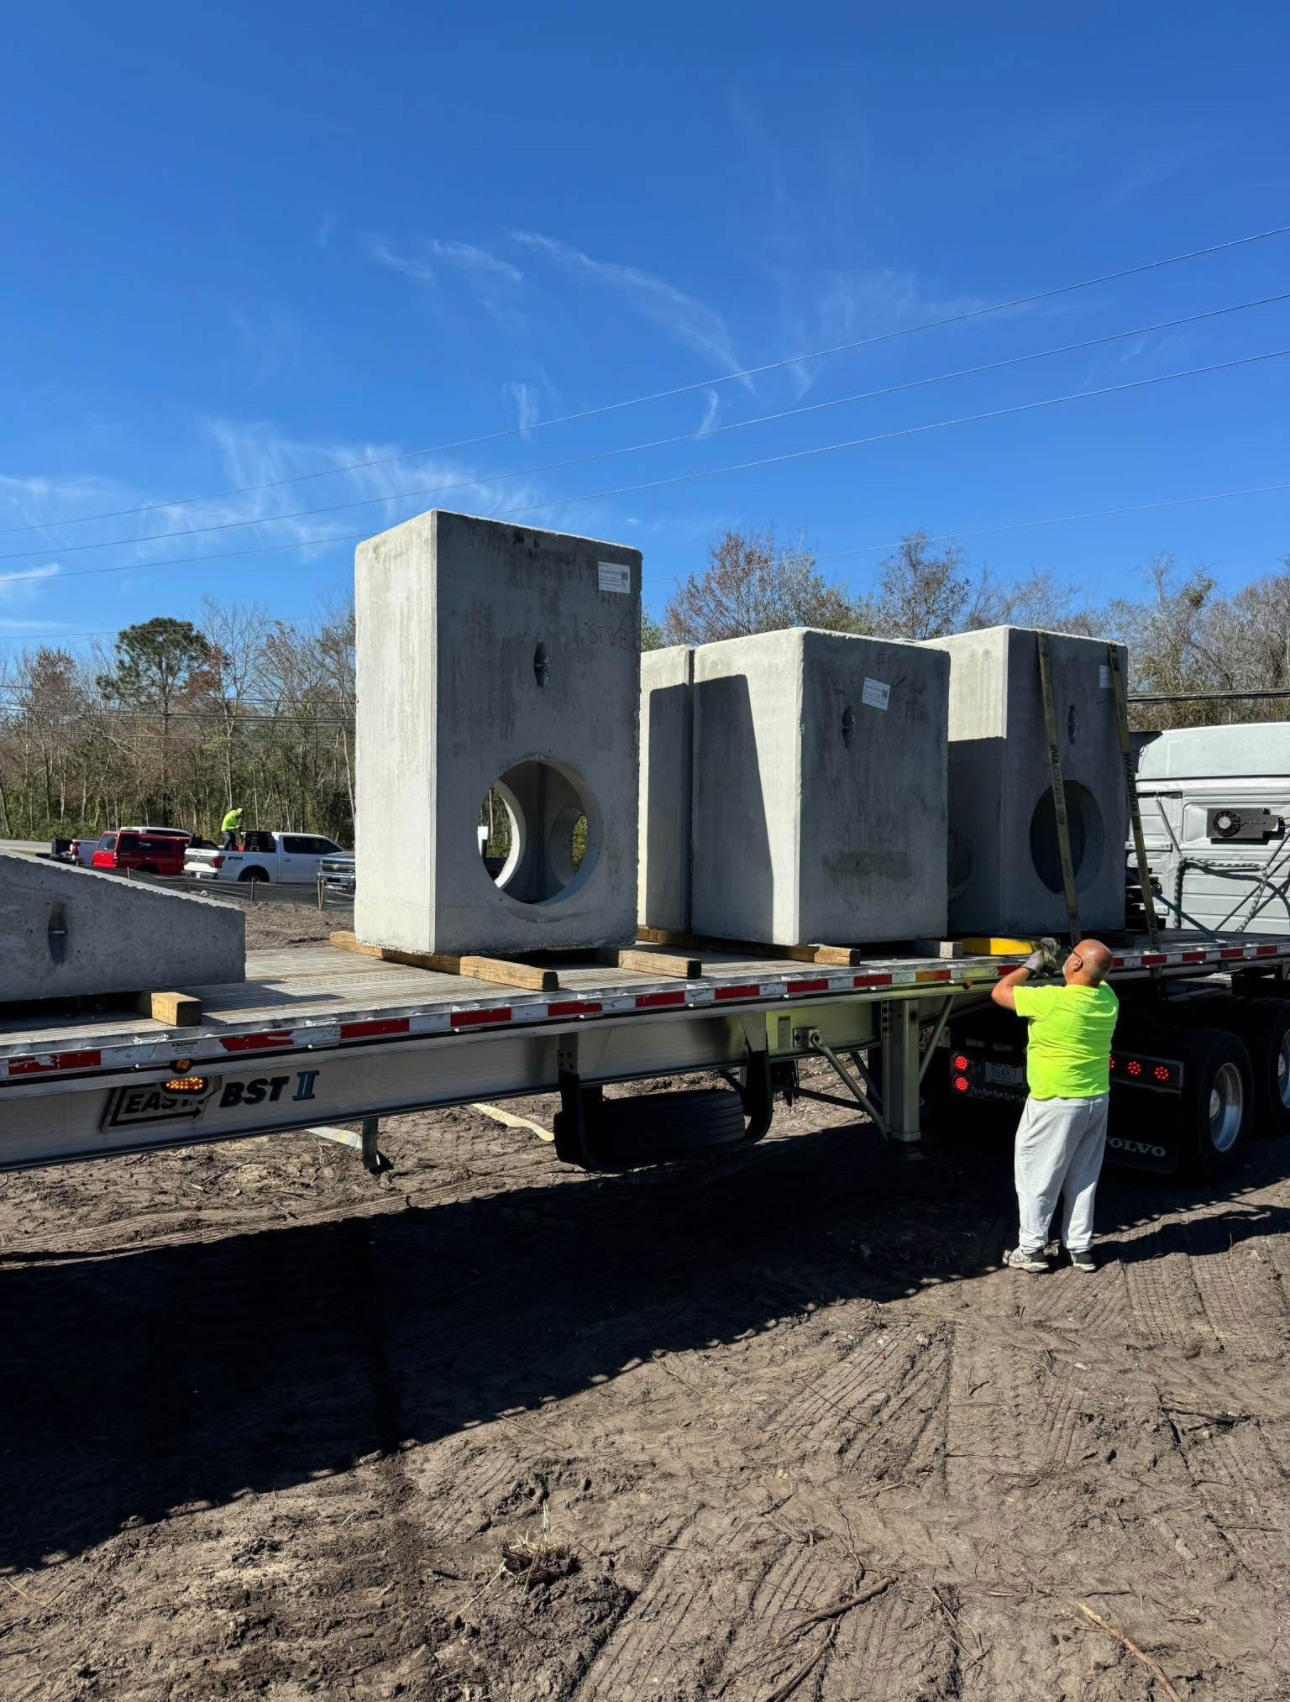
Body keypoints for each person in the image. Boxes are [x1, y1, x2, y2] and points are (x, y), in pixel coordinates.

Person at [990, 936, 1118, 1274]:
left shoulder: (1049, 1001)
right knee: (1083, 1177)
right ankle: (1080, 1248)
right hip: (1095, 1099)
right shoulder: (1108, 998)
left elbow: (1000, 992)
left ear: (1075, 964)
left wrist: (1032, 964)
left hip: (1055, 1102)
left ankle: (1031, 1250)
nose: (1067, 955)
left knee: (1038, 1177)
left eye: (1071, 953)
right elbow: (1081, 986)